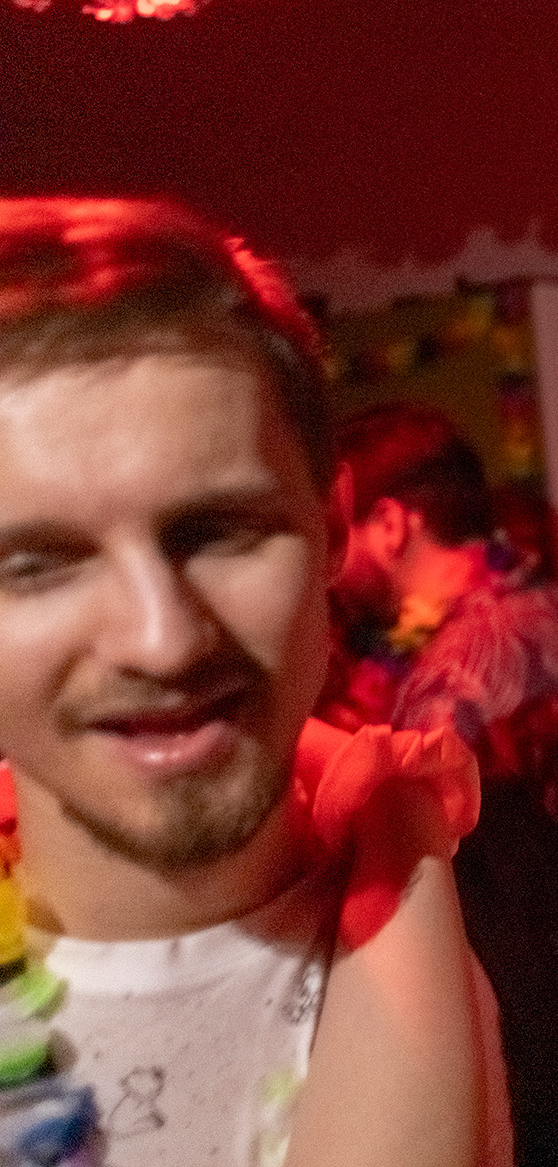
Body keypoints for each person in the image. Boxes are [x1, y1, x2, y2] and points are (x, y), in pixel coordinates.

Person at [0, 197, 510, 1166]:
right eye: (38, 564)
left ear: (336, 529)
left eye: (220, 532)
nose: (161, 641)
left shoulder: (524, 943)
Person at [324, 401, 558, 1166]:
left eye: (339, 535)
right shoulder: (546, 610)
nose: (331, 568)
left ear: (392, 524)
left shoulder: (458, 672)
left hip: (547, 1017)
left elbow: (442, 884)